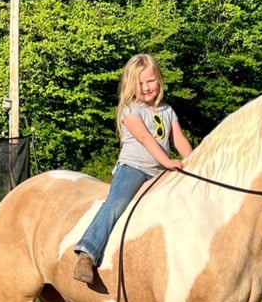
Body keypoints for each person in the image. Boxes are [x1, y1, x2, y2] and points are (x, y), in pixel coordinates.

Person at [73, 53, 193, 283]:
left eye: (151, 81)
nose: (147, 87)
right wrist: (168, 162)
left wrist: (195, 164)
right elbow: (146, 139)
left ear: (159, 80)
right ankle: (88, 252)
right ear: (131, 86)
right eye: (140, 83)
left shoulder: (167, 111)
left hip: (160, 173)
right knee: (116, 203)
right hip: (134, 168)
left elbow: (179, 140)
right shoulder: (130, 110)